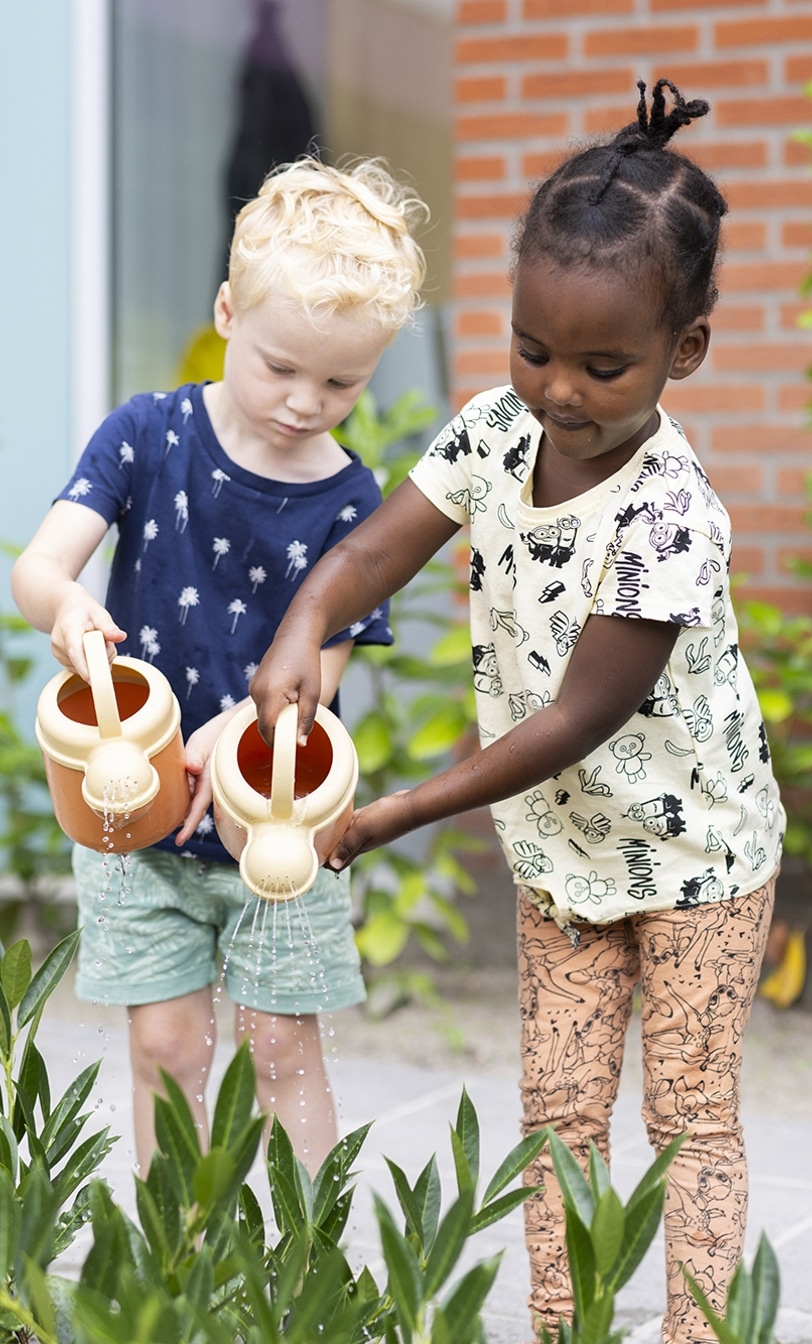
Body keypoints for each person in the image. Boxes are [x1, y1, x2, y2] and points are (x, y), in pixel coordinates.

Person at [249, 82, 784, 1344]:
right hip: (560, 853)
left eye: (604, 366)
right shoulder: (492, 432)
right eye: (531, 349)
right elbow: (372, 554)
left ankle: (698, 1329)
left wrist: (397, 814)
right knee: (554, 1104)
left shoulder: (667, 514)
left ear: (683, 352)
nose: (557, 390)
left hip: (697, 858)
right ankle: (566, 1319)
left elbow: (578, 716)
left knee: (688, 1112)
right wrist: (302, 624)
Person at [12, 156, 427, 1176]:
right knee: (163, 1046)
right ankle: (178, 1267)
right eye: (281, 366)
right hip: (137, 813)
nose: (304, 402)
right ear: (227, 311)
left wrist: (240, 729)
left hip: (270, 818)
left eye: (342, 381)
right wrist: (65, 607)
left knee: (281, 1049)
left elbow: (324, 663)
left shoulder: (351, 500)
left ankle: (306, 1272)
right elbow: (38, 567)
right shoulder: (146, 436)